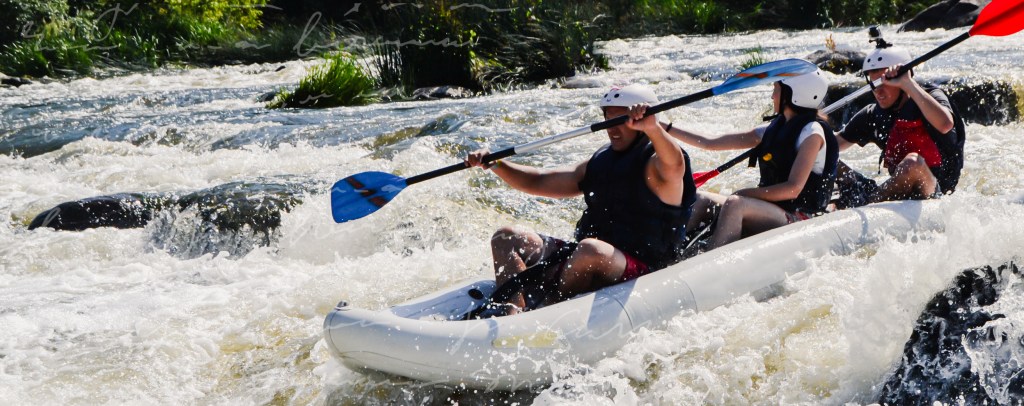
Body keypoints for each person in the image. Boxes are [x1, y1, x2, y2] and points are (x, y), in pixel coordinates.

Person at [464, 84, 696, 317]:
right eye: (608, 119)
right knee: (506, 237)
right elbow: (539, 181)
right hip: (586, 257)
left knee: (589, 249)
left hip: (642, 265)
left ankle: (547, 309)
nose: (612, 129)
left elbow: (675, 164)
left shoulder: (660, 164)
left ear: (643, 122)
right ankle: (511, 312)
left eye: (622, 120)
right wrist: (496, 164)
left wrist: (653, 128)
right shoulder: (601, 162)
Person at [659, 69, 838, 250]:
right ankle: (666, 254)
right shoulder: (772, 129)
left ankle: (710, 263)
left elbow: (793, 189)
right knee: (700, 199)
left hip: (799, 216)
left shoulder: (812, 134)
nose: (772, 96)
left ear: (794, 95)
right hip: (770, 209)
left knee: (735, 204)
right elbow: (709, 142)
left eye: (775, 90)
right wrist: (661, 127)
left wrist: (744, 193)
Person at [833, 28, 966, 208]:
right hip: (893, 193)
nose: (877, 91)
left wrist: (908, 83)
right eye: (873, 83)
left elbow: (945, 124)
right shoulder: (873, 114)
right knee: (824, 158)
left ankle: (867, 205)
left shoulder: (931, 97)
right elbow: (831, 146)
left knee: (912, 163)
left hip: (935, 192)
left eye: (884, 83)